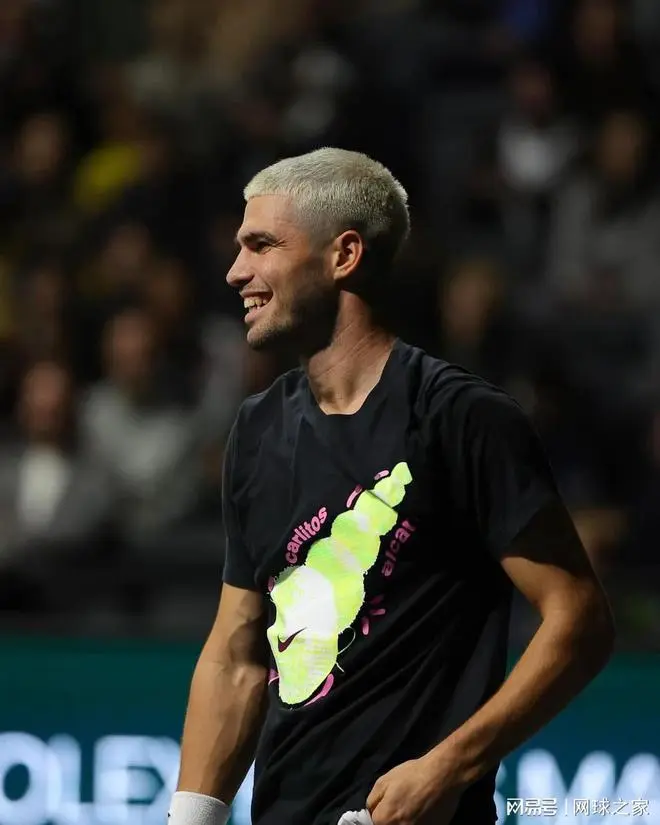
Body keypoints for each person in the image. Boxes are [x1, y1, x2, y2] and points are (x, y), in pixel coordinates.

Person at [169, 148, 615, 825]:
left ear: (344, 255)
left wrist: (449, 767)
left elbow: (579, 617)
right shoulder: (257, 427)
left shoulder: (461, 417)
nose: (236, 271)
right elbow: (237, 652)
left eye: (261, 245)